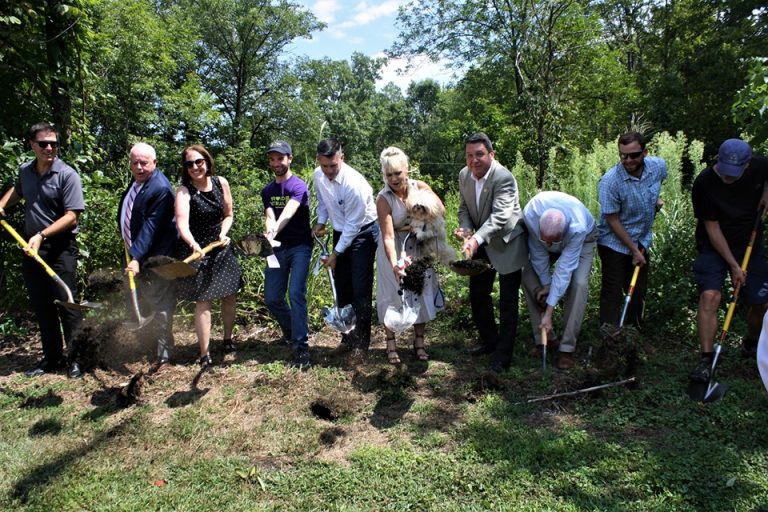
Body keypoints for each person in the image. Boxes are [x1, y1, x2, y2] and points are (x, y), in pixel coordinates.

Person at [0, 122, 84, 378]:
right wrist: (2, 203)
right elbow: (18, 190)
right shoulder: (26, 171)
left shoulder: (67, 175)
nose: (50, 148)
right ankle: (52, 358)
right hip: (31, 247)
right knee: (42, 305)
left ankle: (75, 359)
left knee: (66, 304)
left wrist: (42, 234)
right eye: (44, 143)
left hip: (60, 248)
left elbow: (72, 216)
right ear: (32, 145)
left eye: (54, 144)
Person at [689, 139, 768, 383]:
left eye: (734, 173)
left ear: (747, 165)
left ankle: (752, 344)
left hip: (749, 244)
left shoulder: (760, 166)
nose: (728, 178)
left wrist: (767, 192)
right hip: (714, 245)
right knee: (710, 295)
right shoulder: (704, 183)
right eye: (725, 171)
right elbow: (712, 228)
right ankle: (707, 358)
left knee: (761, 303)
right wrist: (734, 266)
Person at [453, 132, 527, 373]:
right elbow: (464, 208)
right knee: (478, 293)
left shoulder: (504, 178)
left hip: (507, 242)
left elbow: (500, 217)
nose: (474, 160)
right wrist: (465, 228)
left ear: (491, 155)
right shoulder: (464, 176)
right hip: (481, 241)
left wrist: (475, 238)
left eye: (479, 155)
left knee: (507, 301)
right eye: (469, 155)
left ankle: (503, 357)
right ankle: (489, 341)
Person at [313, 139, 378, 365]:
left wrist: (335, 254)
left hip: (363, 233)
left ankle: (361, 345)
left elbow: (353, 225)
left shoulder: (355, 184)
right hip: (340, 232)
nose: (329, 171)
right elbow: (322, 203)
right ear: (319, 162)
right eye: (324, 166)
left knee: (360, 289)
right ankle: (347, 339)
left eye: (333, 165)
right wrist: (321, 223)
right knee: (341, 288)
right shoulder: (318, 176)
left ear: (342, 157)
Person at [376, 147, 444, 364]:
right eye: (389, 175)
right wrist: (395, 263)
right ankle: (391, 343)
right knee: (392, 292)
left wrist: (423, 210)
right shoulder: (383, 199)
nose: (394, 179)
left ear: (407, 169)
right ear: (384, 175)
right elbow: (387, 236)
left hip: (419, 246)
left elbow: (441, 209)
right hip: (394, 249)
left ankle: (419, 342)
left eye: (398, 173)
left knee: (420, 289)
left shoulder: (420, 187)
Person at [175, 144, 241, 368]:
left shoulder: (220, 182)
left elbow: (229, 214)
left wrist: (224, 233)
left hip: (221, 247)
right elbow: (182, 224)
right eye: (189, 164)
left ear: (207, 161)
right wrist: (193, 244)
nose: (195, 167)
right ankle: (204, 353)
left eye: (199, 161)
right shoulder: (184, 191)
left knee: (229, 295)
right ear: (185, 168)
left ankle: (228, 339)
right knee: (203, 301)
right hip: (198, 251)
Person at [597, 131, 667, 331]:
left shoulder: (658, 167)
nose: (628, 160)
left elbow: (656, 186)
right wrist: (633, 250)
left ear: (645, 152)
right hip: (614, 243)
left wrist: (654, 202)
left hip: (642, 239)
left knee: (637, 291)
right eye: (623, 155)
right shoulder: (610, 181)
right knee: (613, 292)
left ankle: (633, 336)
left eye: (633, 155)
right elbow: (612, 219)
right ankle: (609, 336)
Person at [118, 142, 178, 373]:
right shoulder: (137, 184)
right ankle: (148, 347)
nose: (140, 167)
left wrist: (135, 257)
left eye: (144, 163)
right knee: (143, 300)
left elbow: (152, 227)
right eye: (135, 163)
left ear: (155, 162)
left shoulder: (160, 188)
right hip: (137, 253)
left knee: (161, 303)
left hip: (155, 257)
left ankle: (164, 356)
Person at [522, 191, 597, 370]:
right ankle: (545, 339)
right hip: (546, 234)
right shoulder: (531, 213)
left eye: (552, 242)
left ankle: (567, 348)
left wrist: (549, 311)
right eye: (545, 241)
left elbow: (564, 270)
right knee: (528, 276)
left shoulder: (577, 228)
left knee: (578, 284)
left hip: (584, 240)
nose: (549, 246)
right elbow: (538, 252)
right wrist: (546, 285)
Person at [261, 141, 313, 370]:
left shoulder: (298, 186)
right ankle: (293, 331)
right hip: (276, 249)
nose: (276, 163)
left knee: (296, 293)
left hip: (300, 247)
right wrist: (268, 230)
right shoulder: (267, 191)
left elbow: (289, 212)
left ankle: (301, 347)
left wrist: (274, 229)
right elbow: (270, 215)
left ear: (290, 158)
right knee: (272, 297)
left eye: (280, 159)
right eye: (272, 159)